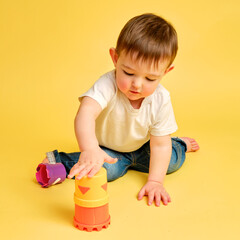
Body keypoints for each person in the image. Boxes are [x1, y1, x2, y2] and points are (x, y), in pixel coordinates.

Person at [42, 13, 199, 206]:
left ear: (166, 72)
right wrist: (90, 149)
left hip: (144, 147)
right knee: (105, 171)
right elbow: (86, 113)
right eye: (129, 72)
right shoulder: (107, 85)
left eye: (150, 79)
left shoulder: (161, 98)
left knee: (171, 161)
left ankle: (179, 143)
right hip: (108, 150)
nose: (137, 85)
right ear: (115, 58)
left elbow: (159, 146)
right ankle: (56, 162)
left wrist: (155, 182)